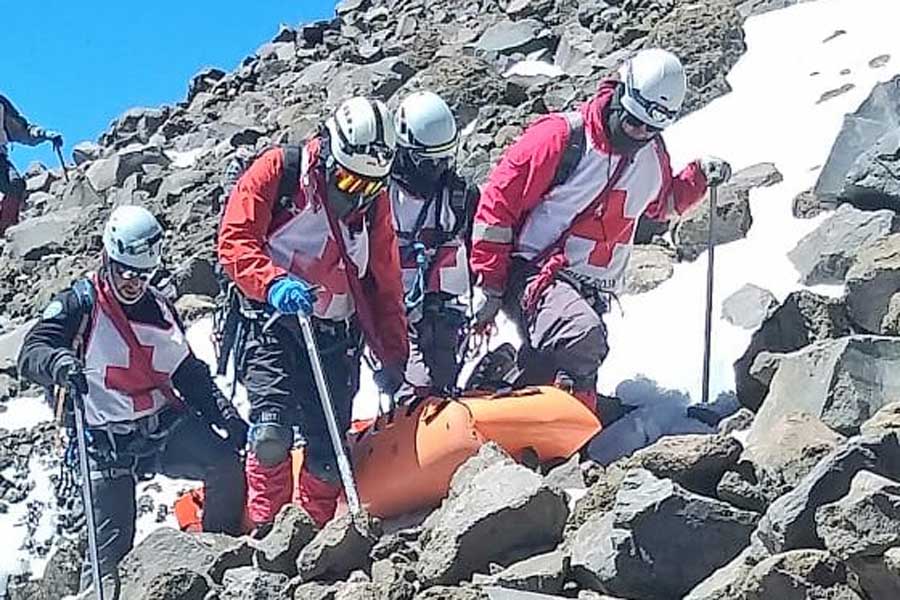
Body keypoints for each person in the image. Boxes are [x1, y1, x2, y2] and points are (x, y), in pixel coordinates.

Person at [469, 48, 732, 412]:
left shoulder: (651, 155)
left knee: (557, 361)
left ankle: (499, 390)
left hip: (591, 289)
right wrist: (491, 285)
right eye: (632, 122)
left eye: (650, 128)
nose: (639, 133)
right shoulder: (562, 138)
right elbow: (497, 205)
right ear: (619, 96)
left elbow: (660, 204)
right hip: (536, 273)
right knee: (582, 336)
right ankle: (570, 427)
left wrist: (698, 177)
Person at [17, 205, 247, 585]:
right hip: (104, 443)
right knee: (108, 566)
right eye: (123, 269)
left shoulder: (160, 308)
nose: (131, 281)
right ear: (108, 255)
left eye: (141, 274)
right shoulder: (80, 304)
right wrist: (59, 363)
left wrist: (228, 418)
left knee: (224, 465)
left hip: (164, 427)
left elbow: (188, 372)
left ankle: (215, 558)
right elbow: (31, 352)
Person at [217, 96, 409, 527]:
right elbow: (235, 240)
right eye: (349, 181)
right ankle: (268, 533)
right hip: (271, 324)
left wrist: (394, 353)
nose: (354, 195)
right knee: (270, 435)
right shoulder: (278, 172)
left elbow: (384, 282)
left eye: (368, 186)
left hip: (335, 336)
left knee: (327, 457)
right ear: (329, 152)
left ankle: (316, 536)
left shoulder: (372, 207)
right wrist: (272, 282)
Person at [390, 91, 476, 400]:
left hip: (437, 312)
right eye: (426, 161)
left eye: (443, 159)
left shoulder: (458, 197)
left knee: (438, 382)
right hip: (386, 315)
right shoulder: (378, 197)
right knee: (415, 387)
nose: (437, 168)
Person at [0, 94, 63, 235]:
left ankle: (4, 230)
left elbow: (23, 130)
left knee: (15, 184)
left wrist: (45, 134)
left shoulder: (1, 104)